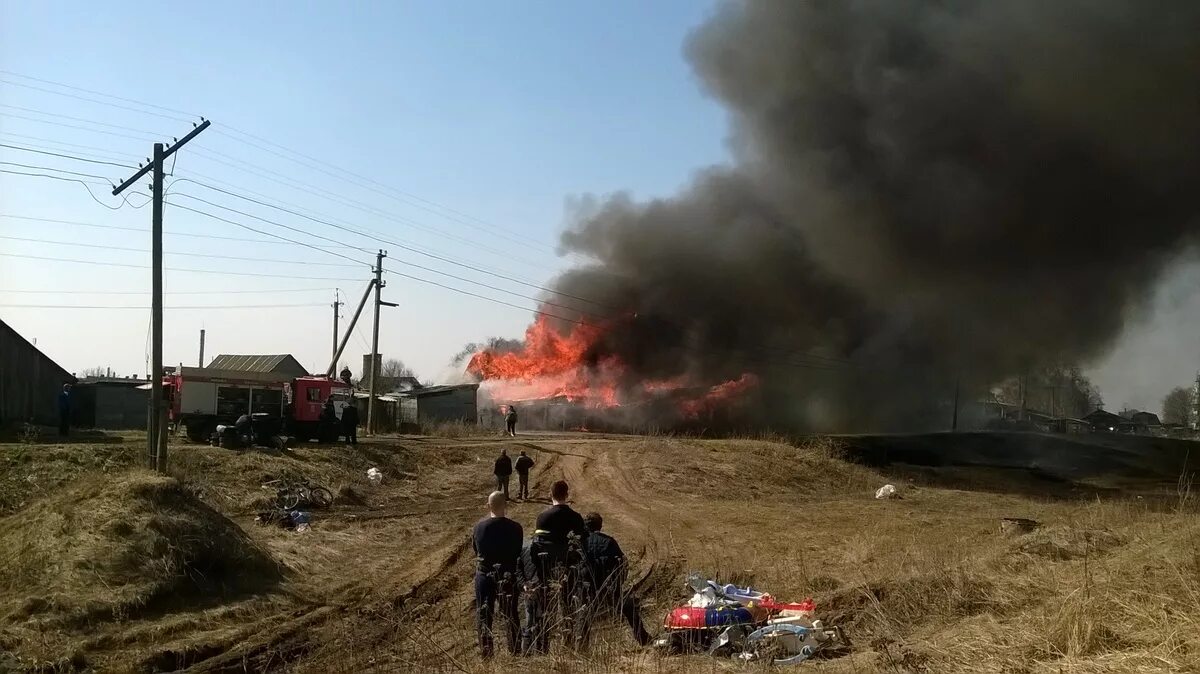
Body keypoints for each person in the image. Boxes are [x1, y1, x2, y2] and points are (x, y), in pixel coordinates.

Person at [523, 480, 589, 653]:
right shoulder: (576, 518)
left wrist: (539, 568)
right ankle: (568, 644)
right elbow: (581, 545)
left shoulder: (543, 517)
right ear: (567, 495)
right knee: (568, 607)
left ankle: (542, 647)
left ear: (550, 494)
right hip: (569, 569)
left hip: (547, 570)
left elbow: (537, 545)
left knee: (545, 610)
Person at [578, 512, 652, 647]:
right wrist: (617, 583)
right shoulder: (609, 542)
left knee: (583, 615)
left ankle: (580, 646)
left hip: (587, 590)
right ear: (600, 525)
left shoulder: (581, 543)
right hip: (609, 589)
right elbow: (622, 565)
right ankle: (643, 639)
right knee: (629, 607)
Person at [472, 491, 523, 657]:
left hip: (484, 574)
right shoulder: (516, 528)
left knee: (484, 614)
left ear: (488, 506)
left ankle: (487, 652)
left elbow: (476, 550)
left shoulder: (479, 527)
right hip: (507, 574)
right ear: (505, 505)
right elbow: (517, 552)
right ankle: (515, 649)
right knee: (510, 612)